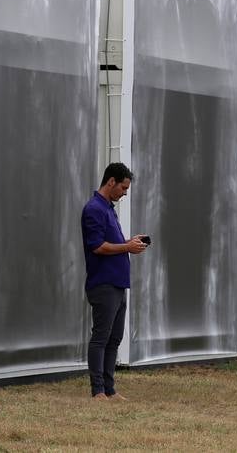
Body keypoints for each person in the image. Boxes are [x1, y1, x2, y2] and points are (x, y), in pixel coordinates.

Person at [81, 162, 147, 399]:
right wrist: (126, 246)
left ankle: (109, 389)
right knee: (101, 337)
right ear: (111, 182)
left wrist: (130, 242)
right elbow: (97, 246)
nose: (125, 193)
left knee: (114, 339)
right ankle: (97, 390)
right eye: (123, 187)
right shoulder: (94, 209)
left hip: (118, 284)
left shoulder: (108, 208)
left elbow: (112, 243)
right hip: (104, 284)